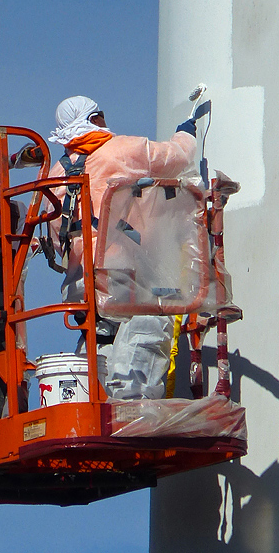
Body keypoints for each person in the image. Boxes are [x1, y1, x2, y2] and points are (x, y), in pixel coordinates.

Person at [46, 95, 197, 399]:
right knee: (148, 329)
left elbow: (51, 242)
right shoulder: (121, 151)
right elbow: (176, 158)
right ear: (92, 119)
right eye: (99, 114)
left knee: (97, 348)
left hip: (79, 287)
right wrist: (187, 133)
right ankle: (134, 410)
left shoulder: (54, 175)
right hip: (121, 277)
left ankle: (92, 400)